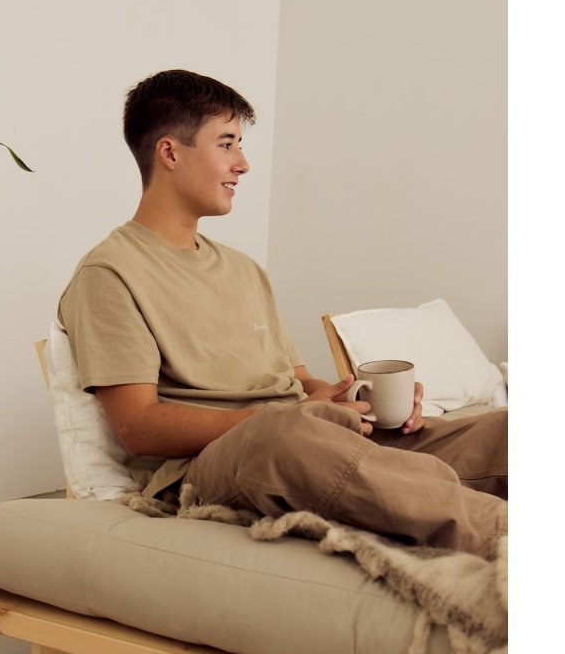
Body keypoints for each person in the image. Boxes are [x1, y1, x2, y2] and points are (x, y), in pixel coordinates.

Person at [58, 69, 506, 558]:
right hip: (213, 464)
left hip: (306, 438)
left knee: (503, 430)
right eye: (227, 144)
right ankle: (501, 532)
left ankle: (416, 478)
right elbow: (139, 428)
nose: (243, 163)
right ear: (170, 152)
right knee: (284, 434)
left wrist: (357, 402)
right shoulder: (110, 273)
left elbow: (300, 380)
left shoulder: (244, 270)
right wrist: (289, 417)